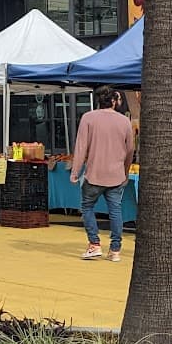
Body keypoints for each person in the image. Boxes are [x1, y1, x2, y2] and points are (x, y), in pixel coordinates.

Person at [69, 85, 134, 262]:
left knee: (87, 207)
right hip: (116, 175)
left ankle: (94, 244)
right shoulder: (124, 121)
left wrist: (75, 172)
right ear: (114, 101)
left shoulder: (88, 118)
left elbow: (81, 147)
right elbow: (130, 150)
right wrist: (125, 171)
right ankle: (115, 250)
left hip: (94, 174)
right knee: (115, 210)